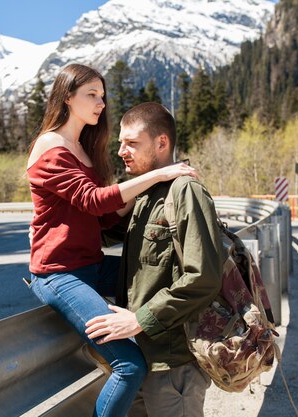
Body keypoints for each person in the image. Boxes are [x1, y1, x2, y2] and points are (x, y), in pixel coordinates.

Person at [26, 65, 197, 417]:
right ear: (67, 97)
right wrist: (157, 174)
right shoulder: (50, 146)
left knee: (163, 277)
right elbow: (93, 200)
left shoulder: (84, 149)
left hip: (92, 264)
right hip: (60, 274)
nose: (101, 103)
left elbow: (104, 217)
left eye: (103, 96)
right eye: (92, 94)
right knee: (130, 365)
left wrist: (156, 189)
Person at [84, 102, 225, 417]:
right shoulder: (145, 194)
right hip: (138, 358)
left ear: (162, 143)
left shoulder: (185, 191)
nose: (122, 151)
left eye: (132, 143)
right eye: (121, 142)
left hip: (173, 362)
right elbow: (99, 233)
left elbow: (203, 277)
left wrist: (139, 320)